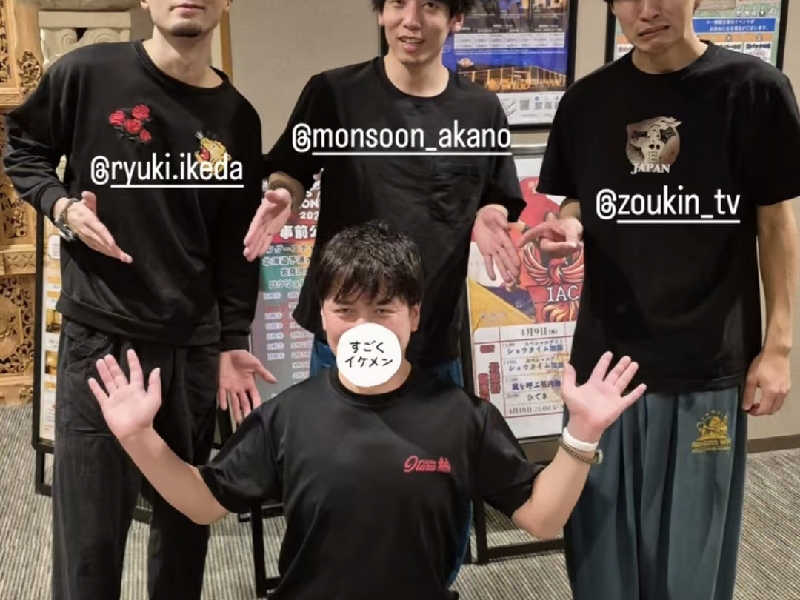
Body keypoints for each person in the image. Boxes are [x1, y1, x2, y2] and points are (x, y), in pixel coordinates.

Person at [88, 221, 647, 600]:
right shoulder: (289, 417)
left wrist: (582, 433)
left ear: (414, 315)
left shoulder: (461, 417)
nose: (364, 327)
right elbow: (202, 503)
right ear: (322, 316)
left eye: (383, 309)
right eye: (345, 310)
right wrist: (139, 437)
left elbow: (542, 518)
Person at [527, 0, 800, 598]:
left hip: (708, 360)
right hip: (606, 365)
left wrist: (778, 346)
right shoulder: (587, 101)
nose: (647, 10)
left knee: (690, 558)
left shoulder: (754, 90)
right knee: (600, 547)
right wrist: (570, 224)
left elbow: (777, 222)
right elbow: (578, 197)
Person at [3, 1, 273, 598]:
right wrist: (61, 206)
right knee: (89, 543)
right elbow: (23, 149)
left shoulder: (238, 117)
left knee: (184, 532)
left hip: (192, 348)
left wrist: (231, 341)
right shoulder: (88, 74)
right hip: (101, 341)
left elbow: (236, 249)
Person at [242, 0, 565, 385]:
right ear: (381, 12)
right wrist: (283, 193)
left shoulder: (481, 110)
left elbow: (496, 194)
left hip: (432, 332)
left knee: (436, 428)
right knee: (336, 426)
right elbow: (291, 170)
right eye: (398, 3)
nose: (411, 21)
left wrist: (488, 213)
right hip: (348, 331)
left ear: (455, 18)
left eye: (430, 6)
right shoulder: (334, 93)